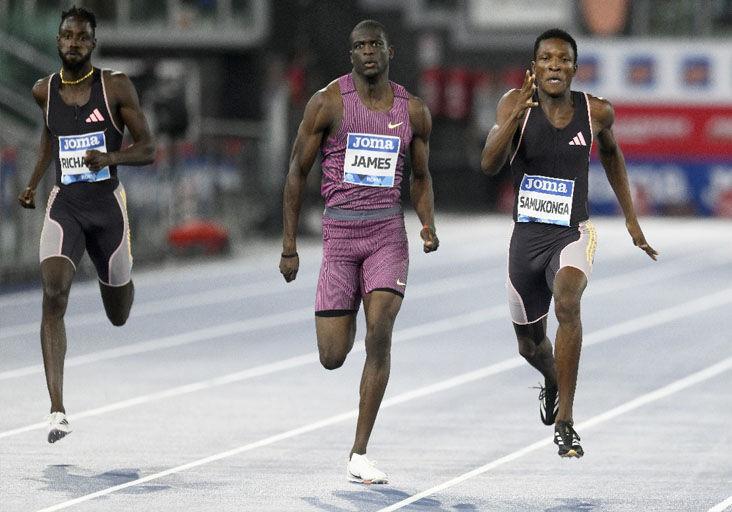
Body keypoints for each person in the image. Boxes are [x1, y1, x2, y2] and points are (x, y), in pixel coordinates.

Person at [480, 28, 657, 458]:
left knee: (568, 300)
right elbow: (488, 164)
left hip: (572, 233)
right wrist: (514, 116)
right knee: (529, 344)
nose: (554, 66)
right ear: (534, 66)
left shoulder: (596, 112)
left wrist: (632, 221)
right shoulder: (514, 105)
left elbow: (613, 156)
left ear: (575, 69)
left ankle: (567, 423)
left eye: (563, 60)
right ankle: (553, 378)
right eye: (546, 59)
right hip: (526, 238)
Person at [279, 19, 438, 483]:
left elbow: (422, 177)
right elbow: (296, 173)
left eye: (375, 45)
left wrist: (427, 223)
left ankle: (359, 451)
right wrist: (289, 246)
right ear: (351, 55)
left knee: (381, 329)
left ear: (390, 52)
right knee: (332, 356)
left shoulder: (414, 111)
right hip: (340, 236)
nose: (368, 52)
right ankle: (344, 310)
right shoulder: (327, 103)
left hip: (387, 231)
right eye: (359, 46)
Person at [18, 6, 155, 443]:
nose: (73, 43)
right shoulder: (44, 91)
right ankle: (57, 408)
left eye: (82, 37)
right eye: (67, 36)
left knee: (118, 313)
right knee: (53, 293)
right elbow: (50, 137)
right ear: (57, 41)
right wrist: (34, 183)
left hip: (107, 208)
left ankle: (116, 279)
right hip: (67, 205)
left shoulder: (115, 86)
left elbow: (148, 148)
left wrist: (110, 157)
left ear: (92, 43)